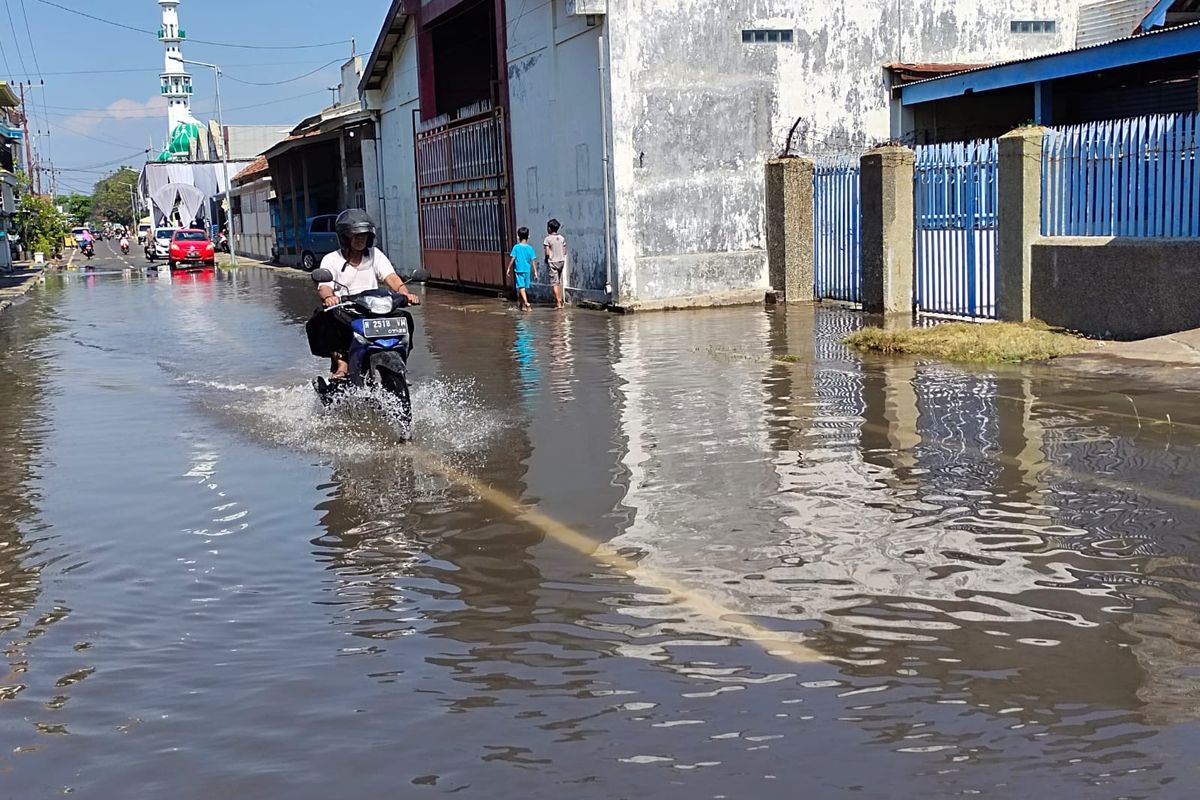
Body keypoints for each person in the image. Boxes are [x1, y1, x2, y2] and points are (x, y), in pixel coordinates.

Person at [306, 208, 420, 381]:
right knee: (325, 317)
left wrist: (405, 293)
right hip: (347, 310)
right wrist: (329, 297)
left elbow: (391, 277)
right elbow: (324, 286)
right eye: (356, 235)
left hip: (376, 309)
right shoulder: (331, 259)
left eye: (364, 235)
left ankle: (400, 359)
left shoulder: (375, 255)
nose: (361, 239)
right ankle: (342, 362)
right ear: (345, 237)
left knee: (405, 318)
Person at [507, 226, 537, 311]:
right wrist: (535, 271)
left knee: (521, 288)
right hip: (527, 270)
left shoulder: (516, 247)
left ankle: (527, 303)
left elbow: (513, 258)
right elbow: (533, 260)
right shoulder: (530, 248)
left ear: (518, 236)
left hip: (519, 270)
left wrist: (509, 268)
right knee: (522, 288)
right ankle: (521, 306)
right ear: (528, 236)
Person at [542, 218, 567, 310]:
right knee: (558, 282)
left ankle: (558, 303)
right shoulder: (562, 238)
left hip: (552, 262)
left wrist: (546, 259)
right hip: (561, 261)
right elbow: (564, 251)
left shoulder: (547, 239)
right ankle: (560, 301)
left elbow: (547, 252)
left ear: (549, 228)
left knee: (554, 283)